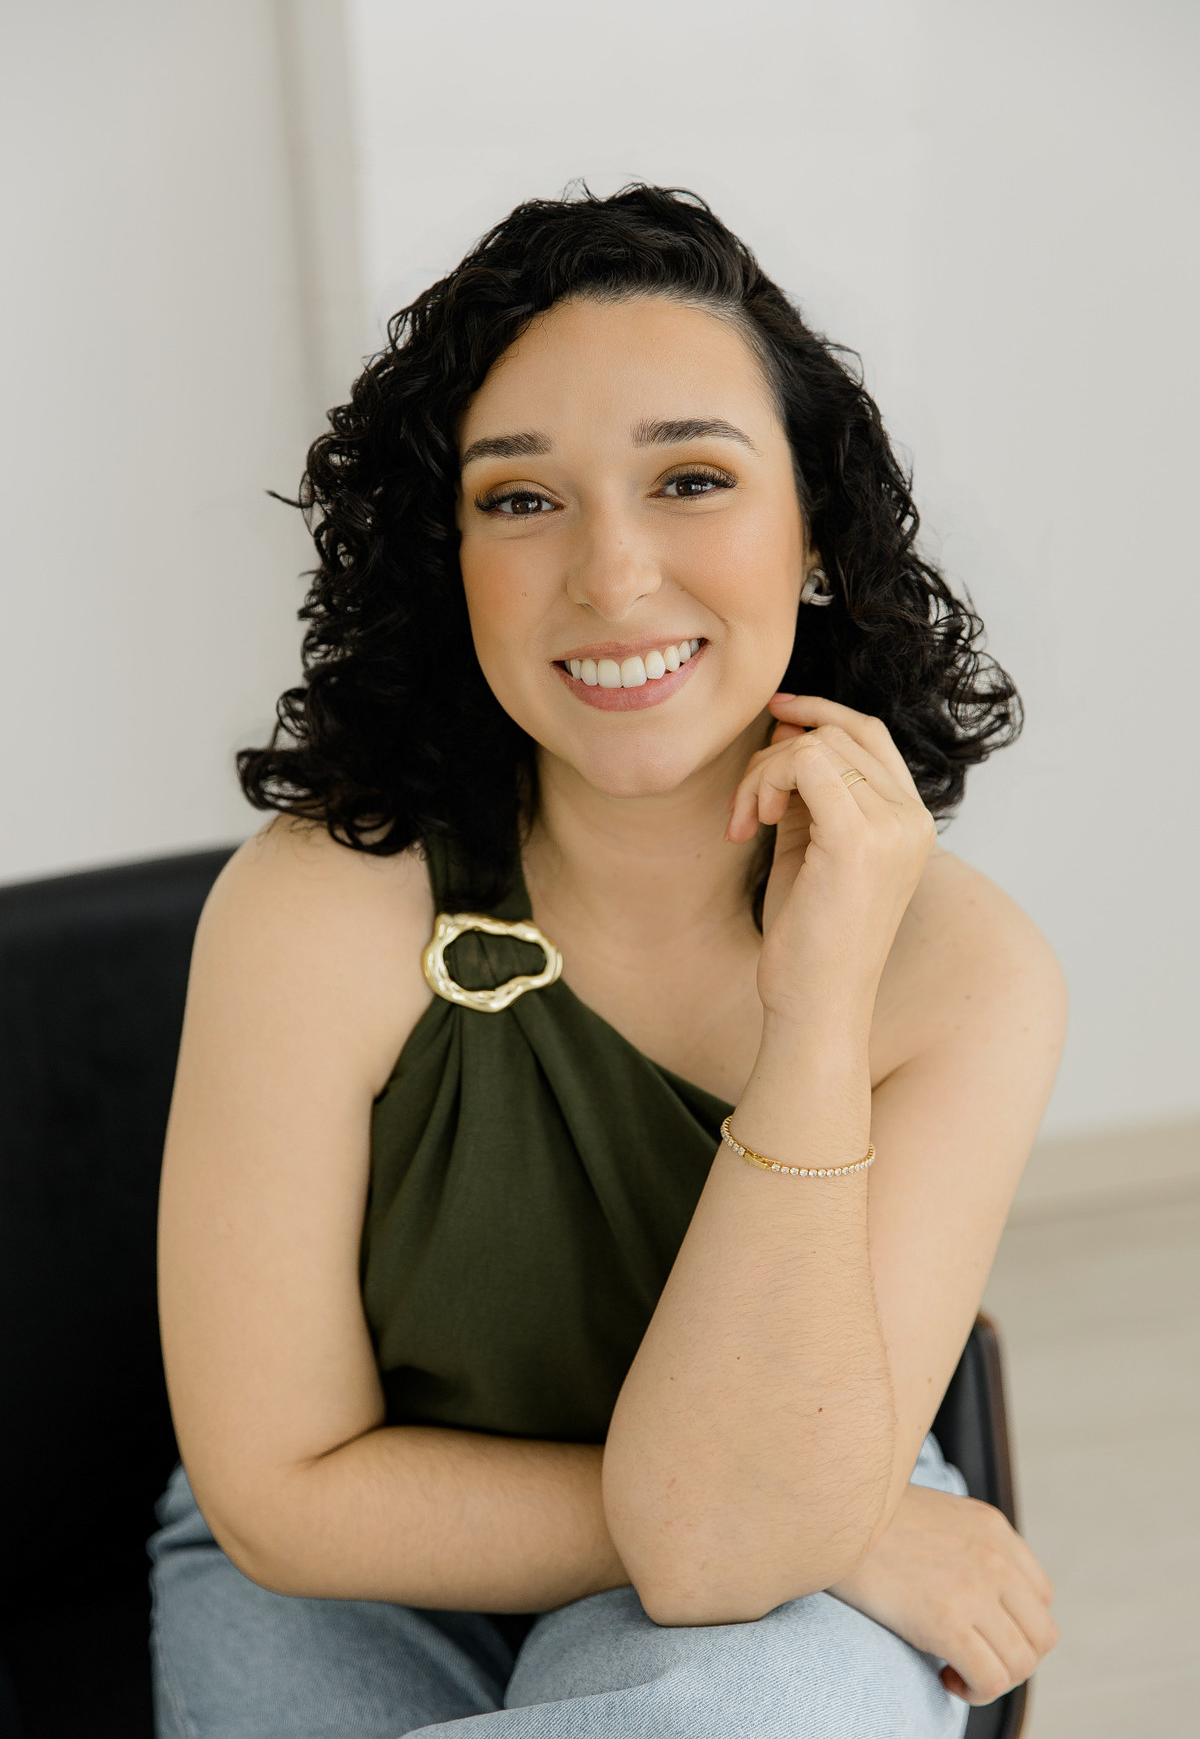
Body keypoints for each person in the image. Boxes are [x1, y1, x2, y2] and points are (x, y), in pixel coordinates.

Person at [149, 184, 1065, 1738]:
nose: (614, 573)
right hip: (362, 1563)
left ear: (815, 532)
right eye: (521, 500)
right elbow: (285, 1496)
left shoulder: (966, 977)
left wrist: (818, 1008)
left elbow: (725, 1553)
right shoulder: (315, 906)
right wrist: (843, 1530)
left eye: (692, 479)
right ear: (449, 556)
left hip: (781, 1535)